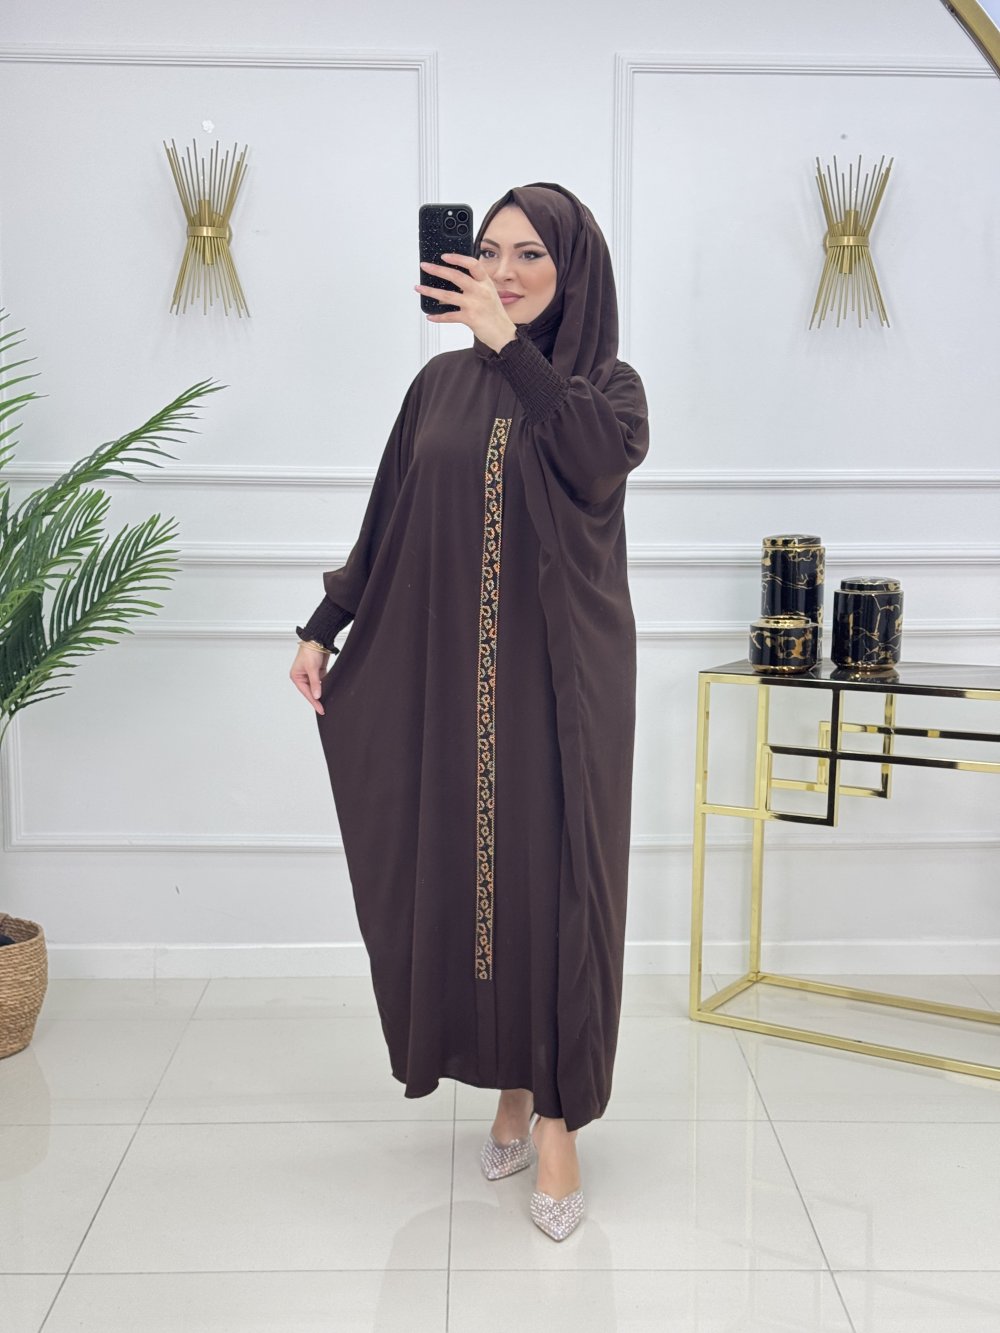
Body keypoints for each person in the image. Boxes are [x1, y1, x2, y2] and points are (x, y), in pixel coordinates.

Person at [290, 182, 649, 1241]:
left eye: (529, 253)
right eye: (487, 251)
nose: (502, 269)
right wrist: (324, 624)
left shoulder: (606, 388)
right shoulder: (437, 388)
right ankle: (506, 1080)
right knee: (473, 877)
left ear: (572, 270)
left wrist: (509, 347)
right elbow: (389, 515)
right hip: (456, 675)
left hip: (564, 686)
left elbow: (588, 461)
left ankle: (557, 1121)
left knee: (552, 887)